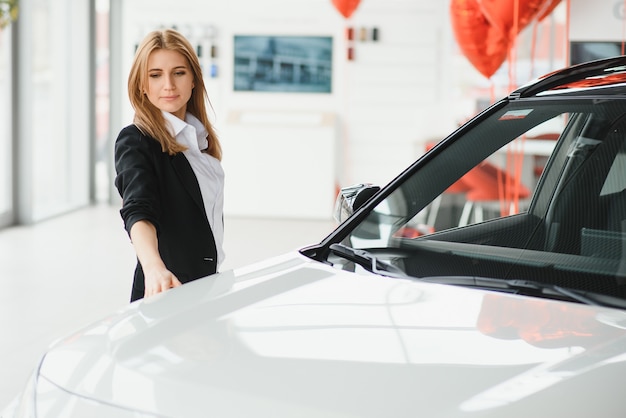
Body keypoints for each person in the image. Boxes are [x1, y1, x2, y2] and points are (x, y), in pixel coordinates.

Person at [114, 28, 224, 302]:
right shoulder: (136, 140)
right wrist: (153, 268)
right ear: (141, 84)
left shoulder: (200, 140)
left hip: (207, 285)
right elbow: (138, 209)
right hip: (166, 290)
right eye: (155, 75)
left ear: (194, 80)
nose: (169, 85)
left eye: (179, 72)